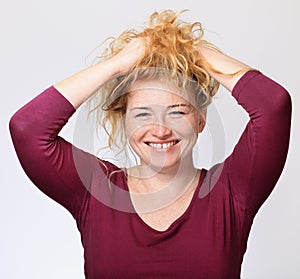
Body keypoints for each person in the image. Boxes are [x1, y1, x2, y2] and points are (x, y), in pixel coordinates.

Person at [9, 10, 291, 279]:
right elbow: (27, 129)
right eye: (143, 113)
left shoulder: (231, 192)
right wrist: (115, 66)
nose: (160, 129)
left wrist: (185, 48)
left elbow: (273, 105)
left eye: (178, 111)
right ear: (124, 119)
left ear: (201, 118)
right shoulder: (95, 190)